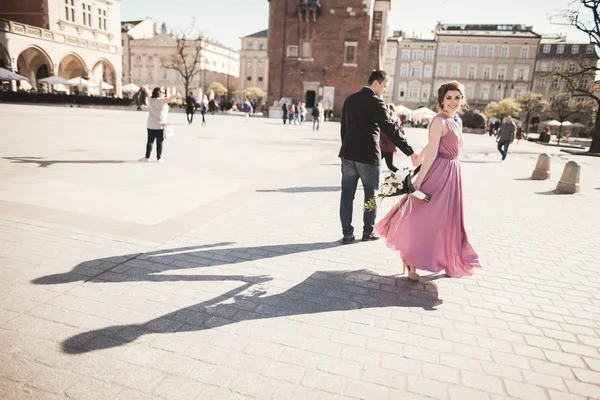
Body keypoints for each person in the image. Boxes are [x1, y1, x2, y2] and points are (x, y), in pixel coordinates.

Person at [375, 80, 481, 280]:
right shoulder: (439, 121)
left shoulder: (454, 121)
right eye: (449, 98)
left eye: (457, 98)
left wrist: (418, 157)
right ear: (441, 100)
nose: (453, 101)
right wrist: (419, 179)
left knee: (447, 221)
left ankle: (449, 260)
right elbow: (434, 151)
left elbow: (432, 145)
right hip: (439, 173)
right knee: (425, 218)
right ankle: (411, 261)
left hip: (452, 174)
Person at [339, 70, 420, 244]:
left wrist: (346, 147)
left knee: (347, 196)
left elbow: (343, 128)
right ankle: (368, 231)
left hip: (348, 155)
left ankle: (347, 234)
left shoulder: (350, 99)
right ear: (376, 83)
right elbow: (391, 129)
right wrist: (410, 152)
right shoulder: (376, 102)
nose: (385, 90)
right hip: (368, 157)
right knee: (371, 195)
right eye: (384, 86)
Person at [139, 86, 181, 163]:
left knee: (150, 141)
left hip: (150, 124)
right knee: (159, 142)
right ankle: (159, 157)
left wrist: (144, 88)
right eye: (162, 92)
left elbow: (148, 92)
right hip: (160, 124)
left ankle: (147, 157)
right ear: (158, 93)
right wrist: (176, 95)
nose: (164, 93)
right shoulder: (161, 100)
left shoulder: (150, 99)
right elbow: (169, 99)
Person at [380, 104, 402, 173]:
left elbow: (384, 133)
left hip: (384, 146)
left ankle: (403, 175)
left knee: (374, 164)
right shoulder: (396, 119)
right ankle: (403, 175)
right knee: (390, 165)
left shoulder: (389, 119)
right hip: (389, 146)